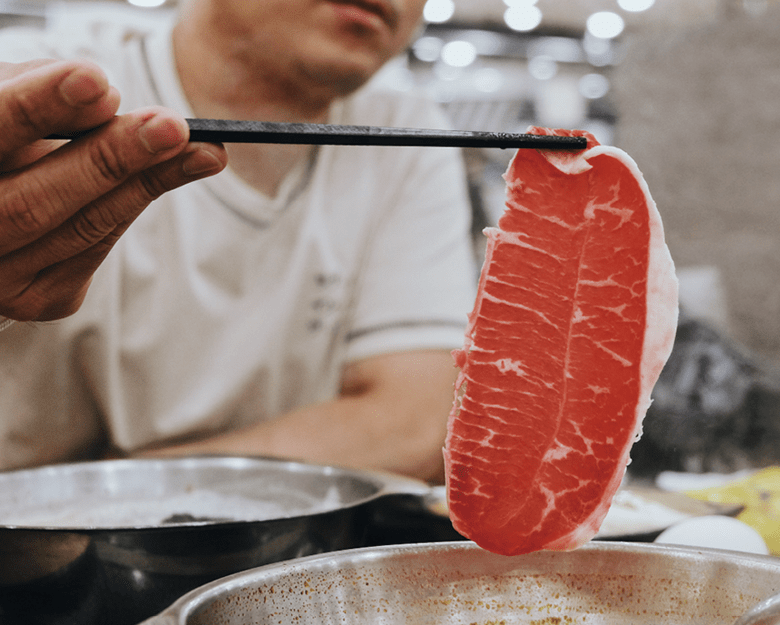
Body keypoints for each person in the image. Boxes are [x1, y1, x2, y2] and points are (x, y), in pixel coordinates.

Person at [0, 0, 478, 482]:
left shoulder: (408, 133)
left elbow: (416, 421)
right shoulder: (43, 82)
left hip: (283, 547)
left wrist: (122, 493)